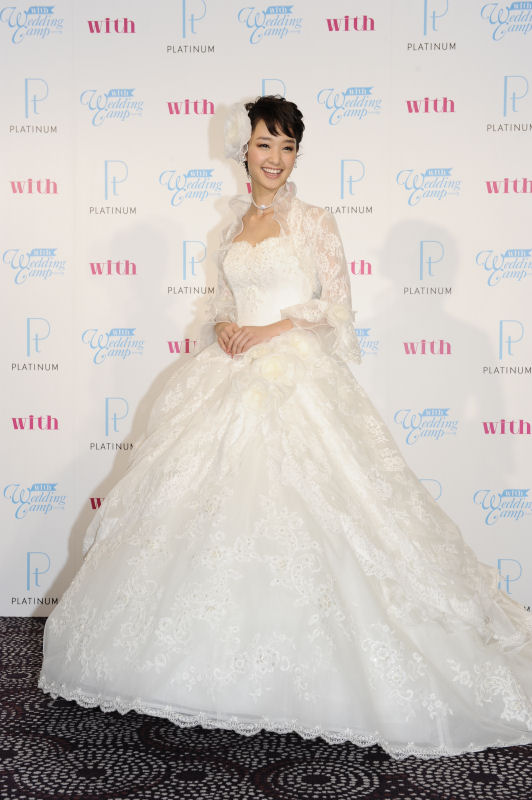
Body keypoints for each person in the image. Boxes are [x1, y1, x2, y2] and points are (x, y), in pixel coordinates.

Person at [38, 95, 532, 760]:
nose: (275, 158)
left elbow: (337, 308)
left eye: (288, 146)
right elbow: (222, 299)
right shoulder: (233, 225)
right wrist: (224, 325)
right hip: (227, 373)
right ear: (242, 149)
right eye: (265, 144)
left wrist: (269, 329)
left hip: (295, 377)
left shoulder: (315, 220)